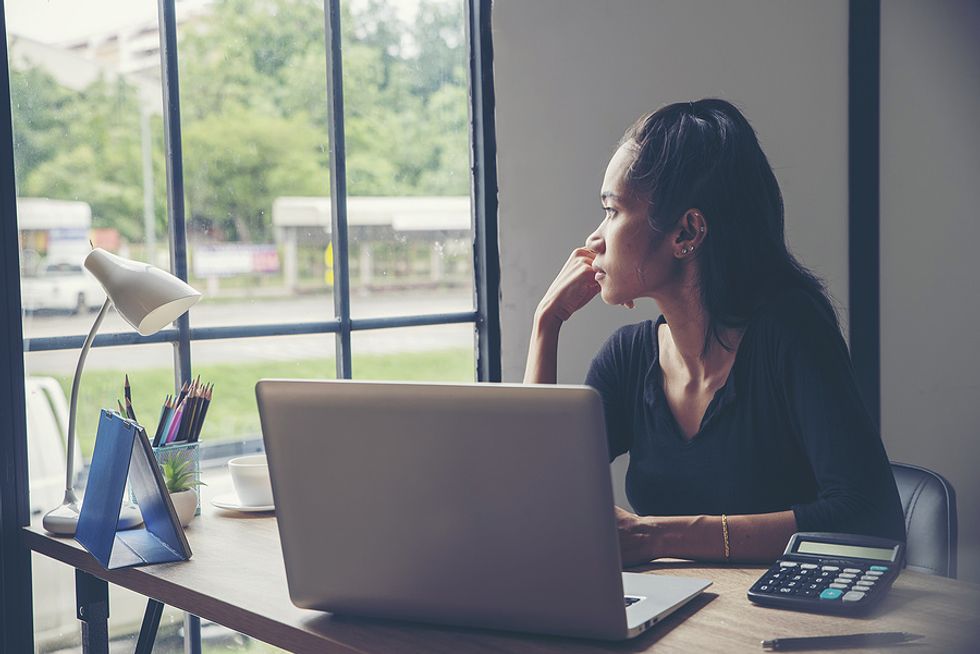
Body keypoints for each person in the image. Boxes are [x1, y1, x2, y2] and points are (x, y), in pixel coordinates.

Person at [524, 99, 905, 566]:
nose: (594, 239)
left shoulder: (791, 333)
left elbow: (870, 514)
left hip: (788, 620)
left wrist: (658, 536)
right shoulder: (627, 360)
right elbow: (539, 500)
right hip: (679, 619)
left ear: (687, 232)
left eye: (612, 210)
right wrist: (547, 325)